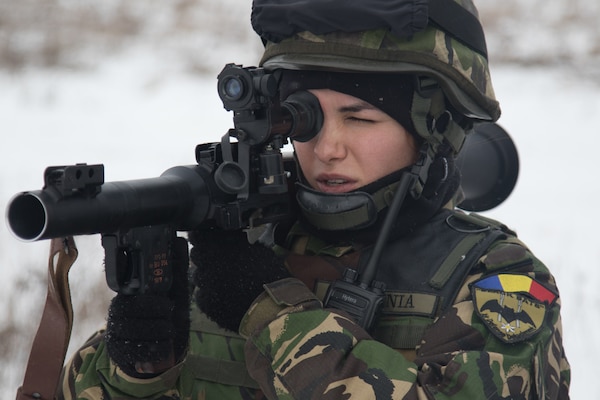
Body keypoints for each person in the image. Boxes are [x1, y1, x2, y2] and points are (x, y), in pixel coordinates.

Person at [58, 0, 570, 399]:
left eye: (360, 118)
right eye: (306, 118)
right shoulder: (239, 251)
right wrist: (138, 370)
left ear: (434, 128)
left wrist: (270, 313)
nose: (328, 148)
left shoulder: (499, 280)